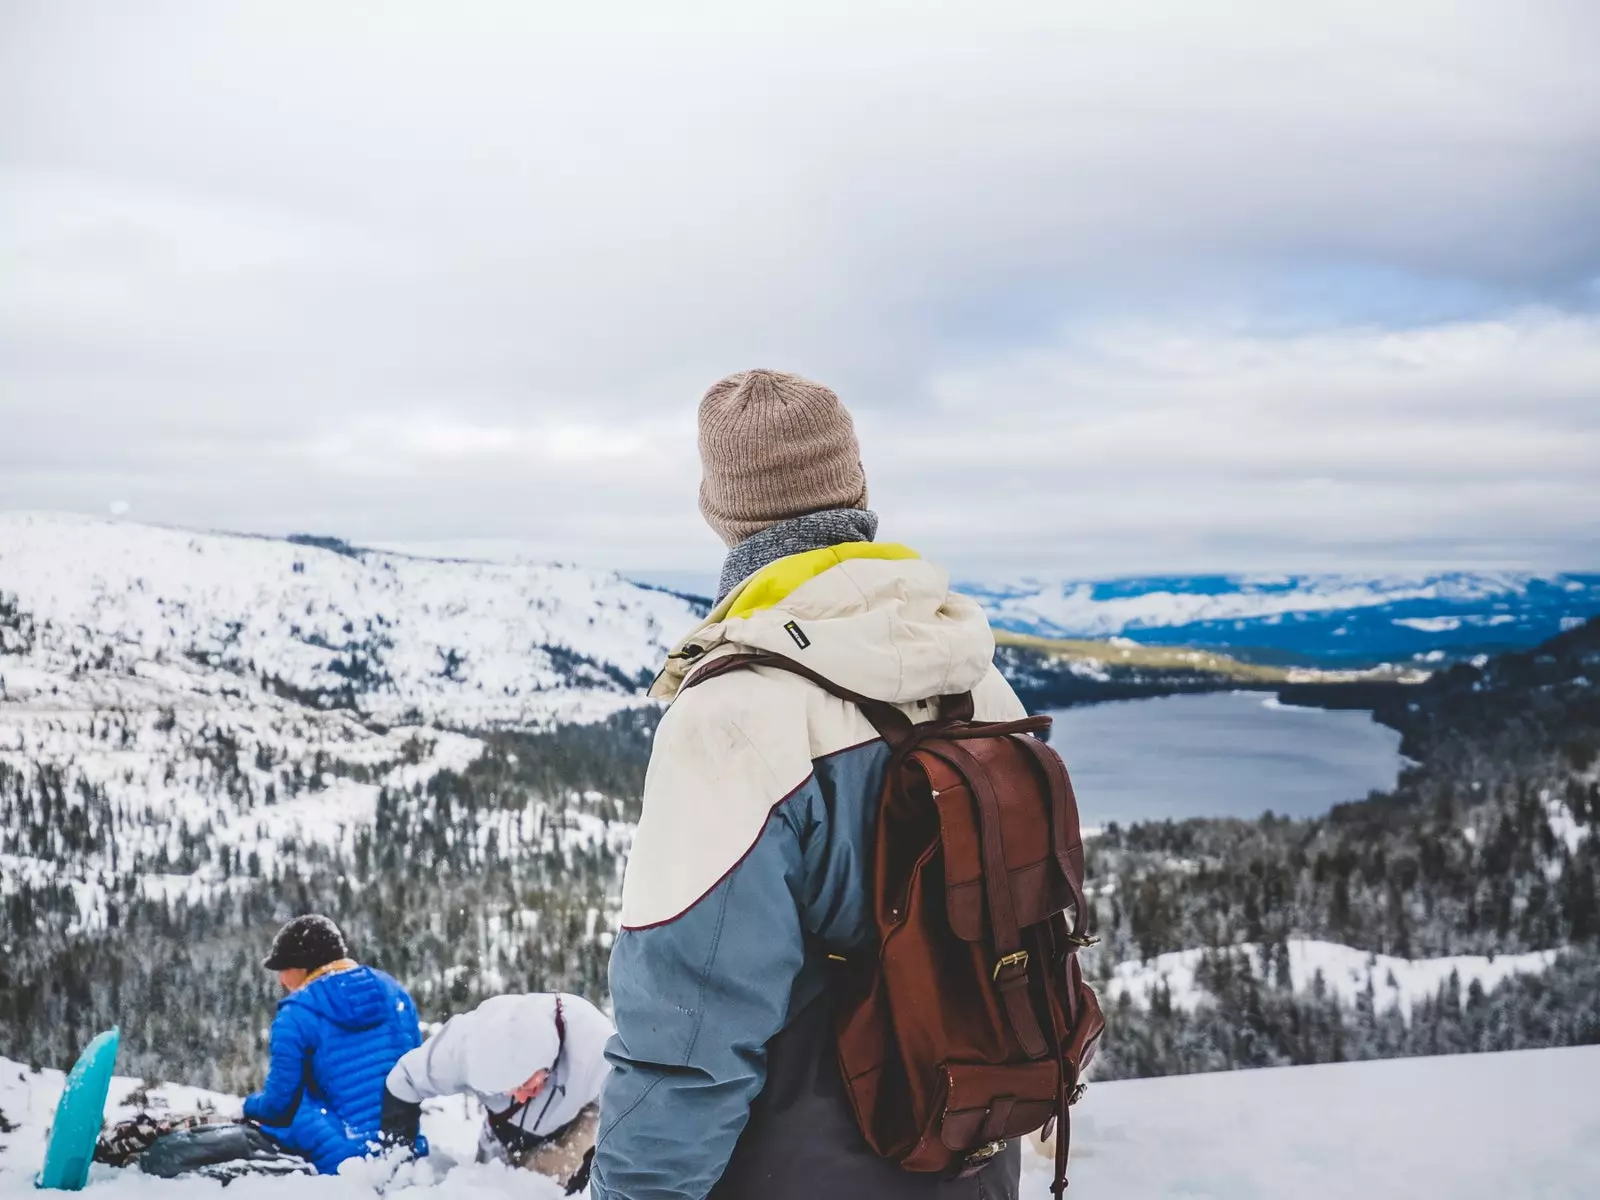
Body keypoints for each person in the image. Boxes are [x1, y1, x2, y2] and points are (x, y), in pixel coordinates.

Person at [590, 370, 1028, 1199]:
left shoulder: (736, 714)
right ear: (857, 487)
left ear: (721, 512)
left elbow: (687, 1036)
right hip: (972, 1146)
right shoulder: (976, 677)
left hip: (800, 1166)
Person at [241, 914, 422, 1175]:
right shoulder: (395, 992)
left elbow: (278, 1109)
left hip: (348, 1160)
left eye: (283, 968)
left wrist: (247, 1106)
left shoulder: (296, 1014)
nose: (281, 980)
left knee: (296, 1103)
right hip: (406, 1150)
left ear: (303, 965)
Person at [380, 992, 612, 1191]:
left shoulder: (593, 1044)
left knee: (543, 1189)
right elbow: (404, 1080)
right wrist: (399, 1156)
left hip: (571, 1130)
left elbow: (630, 1108)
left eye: (528, 1085)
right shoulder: (460, 1045)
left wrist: (594, 1159)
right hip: (499, 1135)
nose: (521, 1096)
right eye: (508, 1091)